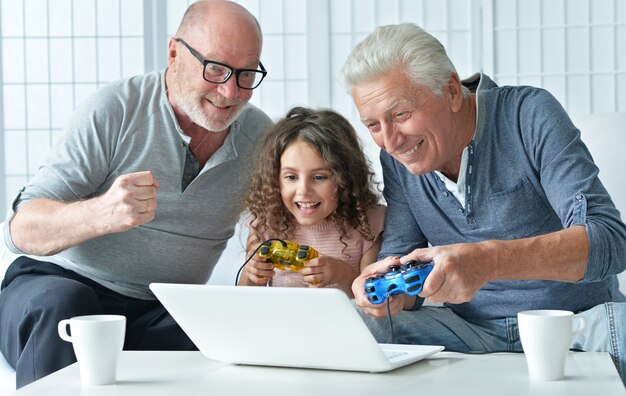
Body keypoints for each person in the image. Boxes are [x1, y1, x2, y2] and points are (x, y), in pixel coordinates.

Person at [0, 0, 272, 388]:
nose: (230, 91)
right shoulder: (116, 110)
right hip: (55, 288)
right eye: (215, 69)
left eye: (246, 74)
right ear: (175, 53)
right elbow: (19, 231)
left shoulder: (260, 137)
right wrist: (100, 214)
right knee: (67, 306)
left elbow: (294, 213)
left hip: (160, 308)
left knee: (223, 331)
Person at [340, 23, 626, 383]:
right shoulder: (399, 159)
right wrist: (387, 291)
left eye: (399, 115)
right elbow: (401, 259)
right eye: (373, 125)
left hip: (575, 322)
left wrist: (486, 261)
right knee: (357, 327)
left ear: (451, 92)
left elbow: (611, 242)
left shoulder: (528, 114)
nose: (391, 141)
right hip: (469, 329)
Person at [238, 106, 385, 296]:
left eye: (319, 177)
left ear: (345, 178)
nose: (304, 190)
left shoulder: (369, 223)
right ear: (275, 179)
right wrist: (251, 274)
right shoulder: (266, 223)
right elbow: (246, 298)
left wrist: (341, 275)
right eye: (291, 177)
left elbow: (372, 300)